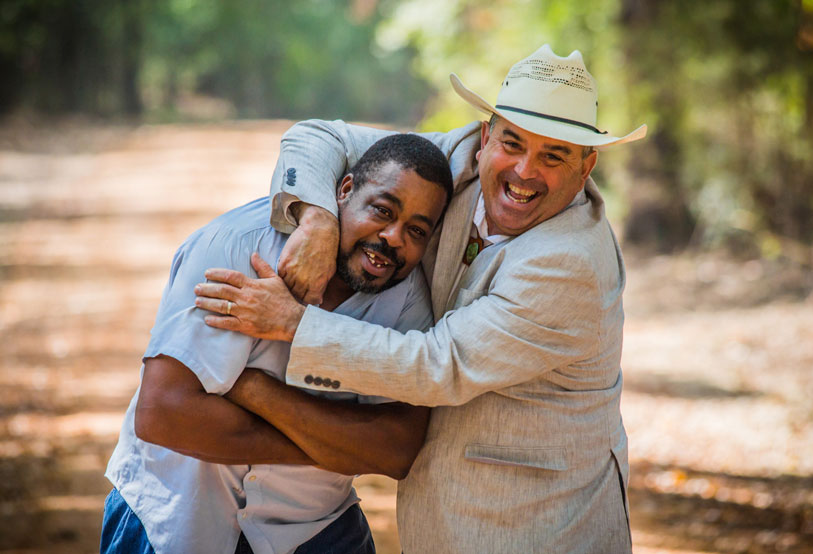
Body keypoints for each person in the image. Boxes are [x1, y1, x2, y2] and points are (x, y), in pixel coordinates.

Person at [196, 45, 647, 553]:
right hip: (440, 517)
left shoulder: (571, 263)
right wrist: (318, 219)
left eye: (554, 155)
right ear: (485, 139)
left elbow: (439, 363)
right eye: (513, 143)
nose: (524, 170)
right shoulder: (457, 159)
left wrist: (291, 327)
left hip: (541, 525)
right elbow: (317, 136)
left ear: (586, 168)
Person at [101, 134, 454, 554]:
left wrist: (253, 389)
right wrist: (334, 449)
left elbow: (395, 450)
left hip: (316, 531)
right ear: (345, 190)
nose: (393, 237)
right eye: (382, 210)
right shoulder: (236, 244)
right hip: (173, 518)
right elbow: (163, 415)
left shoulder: (410, 301)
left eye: (416, 230)